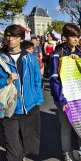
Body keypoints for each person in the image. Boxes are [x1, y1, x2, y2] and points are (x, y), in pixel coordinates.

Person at [0, 24, 43, 160]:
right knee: (13, 150)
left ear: (21, 39)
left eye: (13, 36)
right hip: (9, 109)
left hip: (29, 108)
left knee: (26, 146)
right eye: (7, 35)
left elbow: (37, 80)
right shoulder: (1, 59)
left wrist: (38, 100)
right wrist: (6, 81)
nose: (9, 39)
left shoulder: (30, 58)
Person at [49, 24, 81, 161]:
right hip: (65, 97)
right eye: (72, 36)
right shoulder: (57, 54)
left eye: (78, 36)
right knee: (66, 127)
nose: (76, 39)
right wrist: (61, 100)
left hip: (80, 97)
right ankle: (67, 152)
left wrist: (80, 62)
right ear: (65, 37)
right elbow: (54, 79)